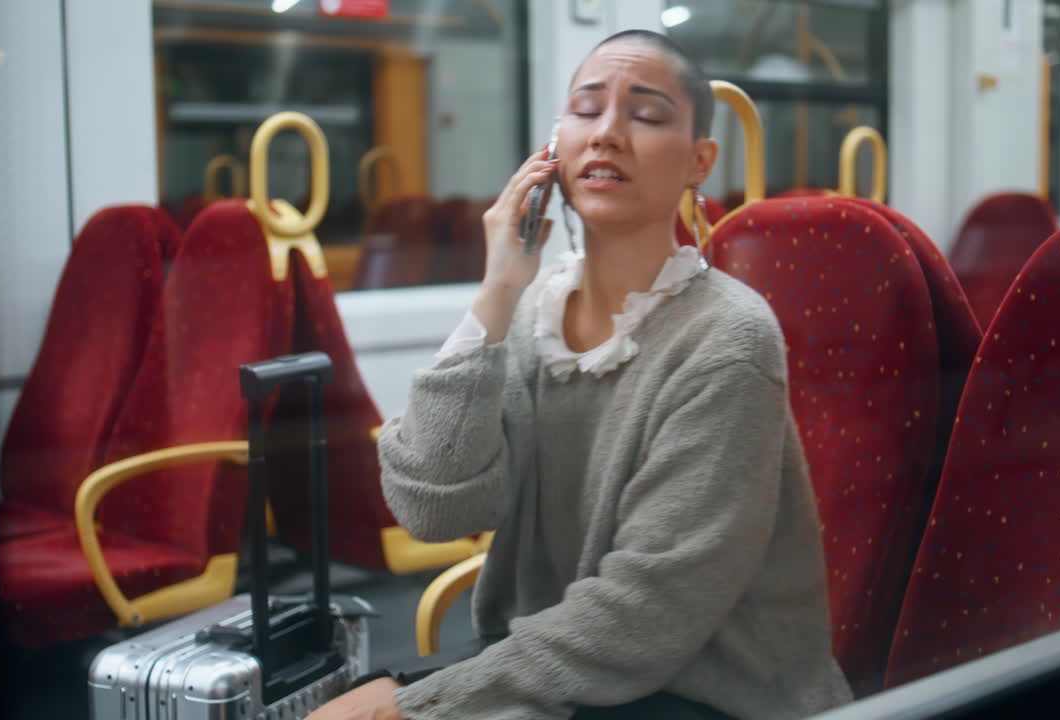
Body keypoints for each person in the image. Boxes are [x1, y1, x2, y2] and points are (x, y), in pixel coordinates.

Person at [309, 28, 853, 720]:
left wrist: (428, 705)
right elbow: (435, 506)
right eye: (585, 110)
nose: (607, 133)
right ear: (552, 151)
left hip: (712, 692)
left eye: (647, 115)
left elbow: (647, 613)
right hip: (560, 666)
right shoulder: (533, 310)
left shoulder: (727, 338)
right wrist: (497, 290)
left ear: (699, 160)